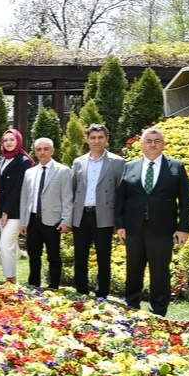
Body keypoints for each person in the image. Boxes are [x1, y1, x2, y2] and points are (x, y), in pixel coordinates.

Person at [115, 127, 189, 317]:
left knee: (159, 272)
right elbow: (120, 199)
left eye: (157, 140)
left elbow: (185, 200)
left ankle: (157, 312)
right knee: (133, 269)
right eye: (148, 141)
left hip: (162, 229)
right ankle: (131, 306)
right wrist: (121, 225)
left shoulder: (176, 166)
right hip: (134, 228)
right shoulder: (129, 167)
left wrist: (182, 228)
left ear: (163, 144)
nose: (152, 144)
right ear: (141, 144)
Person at [69, 123, 125, 299]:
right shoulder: (78, 162)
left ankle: (102, 294)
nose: (96, 141)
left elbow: (121, 194)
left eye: (100, 137)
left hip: (104, 216)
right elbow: (72, 190)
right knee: (80, 257)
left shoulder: (117, 162)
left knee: (103, 257)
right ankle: (81, 291)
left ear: (107, 139)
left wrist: (119, 221)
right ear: (87, 139)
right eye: (93, 137)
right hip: (81, 215)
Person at [19, 138, 72, 289]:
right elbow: (24, 198)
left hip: (53, 221)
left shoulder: (63, 171)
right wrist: (24, 221)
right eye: (39, 149)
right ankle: (33, 284)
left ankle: (53, 286)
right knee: (34, 255)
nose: (42, 152)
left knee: (53, 256)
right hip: (33, 220)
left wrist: (66, 220)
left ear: (52, 151)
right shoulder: (29, 172)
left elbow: (68, 197)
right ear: (35, 152)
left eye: (46, 149)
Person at [0, 128, 33, 283]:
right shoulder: (2, 159)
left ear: (18, 140)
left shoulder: (23, 161)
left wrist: (6, 212)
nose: (9, 143)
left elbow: (18, 188)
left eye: (12, 139)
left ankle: (9, 280)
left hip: (16, 211)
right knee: (8, 246)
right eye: (6, 140)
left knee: (5, 244)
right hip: (2, 210)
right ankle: (11, 278)